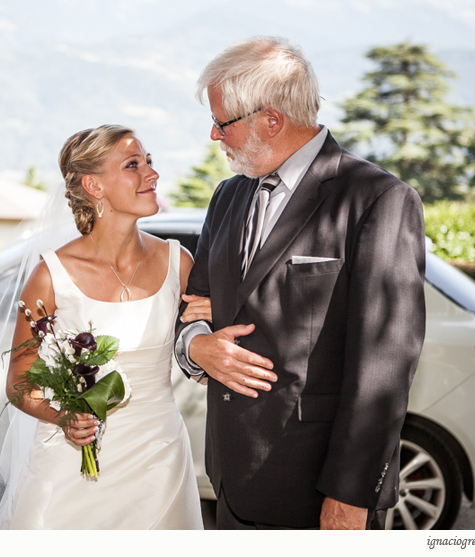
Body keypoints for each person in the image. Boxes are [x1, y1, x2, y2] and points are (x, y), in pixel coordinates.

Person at [175, 36, 426, 530]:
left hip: (318, 492)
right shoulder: (226, 197)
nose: (213, 135)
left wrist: (350, 496)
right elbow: (193, 311)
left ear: (270, 119)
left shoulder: (378, 199)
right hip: (230, 480)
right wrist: (195, 348)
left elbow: (384, 367)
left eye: (222, 122)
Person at [0, 125, 205, 529]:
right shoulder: (50, 276)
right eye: (133, 165)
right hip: (70, 466)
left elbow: (202, 356)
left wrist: (209, 328)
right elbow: (18, 383)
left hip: (158, 459)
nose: (152, 174)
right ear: (94, 185)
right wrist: (63, 417)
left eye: (150, 162)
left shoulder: (180, 262)